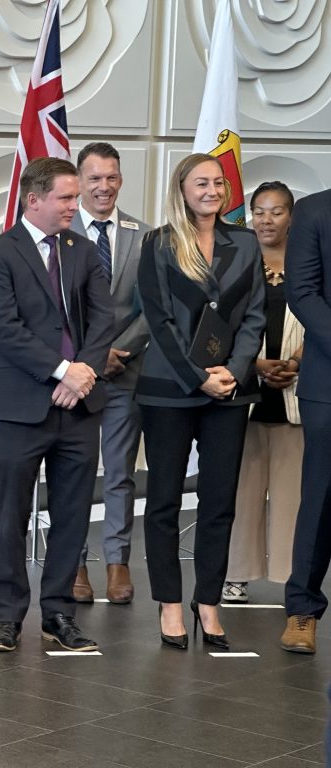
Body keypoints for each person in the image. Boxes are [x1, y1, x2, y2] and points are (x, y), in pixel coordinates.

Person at [0, 157, 113, 653]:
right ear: (34, 199)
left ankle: (59, 613)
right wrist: (62, 371)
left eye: (76, 198)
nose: (75, 208)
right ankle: (7, 619)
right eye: (66, 198)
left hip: (79, 408)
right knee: (11, 515)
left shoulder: (82, 251)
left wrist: (84, 374)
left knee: (72, 514)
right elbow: (5, 329)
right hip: (21, 407)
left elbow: (104, 319)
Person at [136, 153, 265, 650]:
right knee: (164, 500)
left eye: (218, 182)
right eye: (200, 182)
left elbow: (254, 315)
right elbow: (159, 321)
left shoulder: (246, 243)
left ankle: (207, 600)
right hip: (170, 390)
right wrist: (198, 378)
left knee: (218, 501)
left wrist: (232, 372)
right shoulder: (158, 244)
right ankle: (170, 602)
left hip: (230, 392)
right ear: (182, 189)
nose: (211, 189)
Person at [70, 142, 151, 604]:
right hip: (74, 374)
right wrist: (90, 357)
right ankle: (75, 562)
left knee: (120, 473)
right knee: (76, 473)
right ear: (80, 181)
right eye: (95, 178)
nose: (104, 187)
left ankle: (117, 563)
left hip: (126, 371)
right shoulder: (60, 233)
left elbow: (152, 307)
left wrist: (121, 350)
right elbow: (57, 309)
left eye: (112, 177)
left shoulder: (144, 234)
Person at [224, 182, 303, 603]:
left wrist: (296, 362)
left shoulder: (310, 263)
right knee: (243, 489)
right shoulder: (237, 261)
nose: (266, 220)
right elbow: (223, 323)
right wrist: (251, 364)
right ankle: (236, 574)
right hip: (245, 390)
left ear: (291, 217)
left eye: (276, 212)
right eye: (259, 211)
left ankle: (291, 576)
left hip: (296, 391)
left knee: (293, 492)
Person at [281, 186, 331, 654]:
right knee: (320, 499)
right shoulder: (314, 210)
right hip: (329, 382)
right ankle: (302, 610)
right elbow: (303, 293)